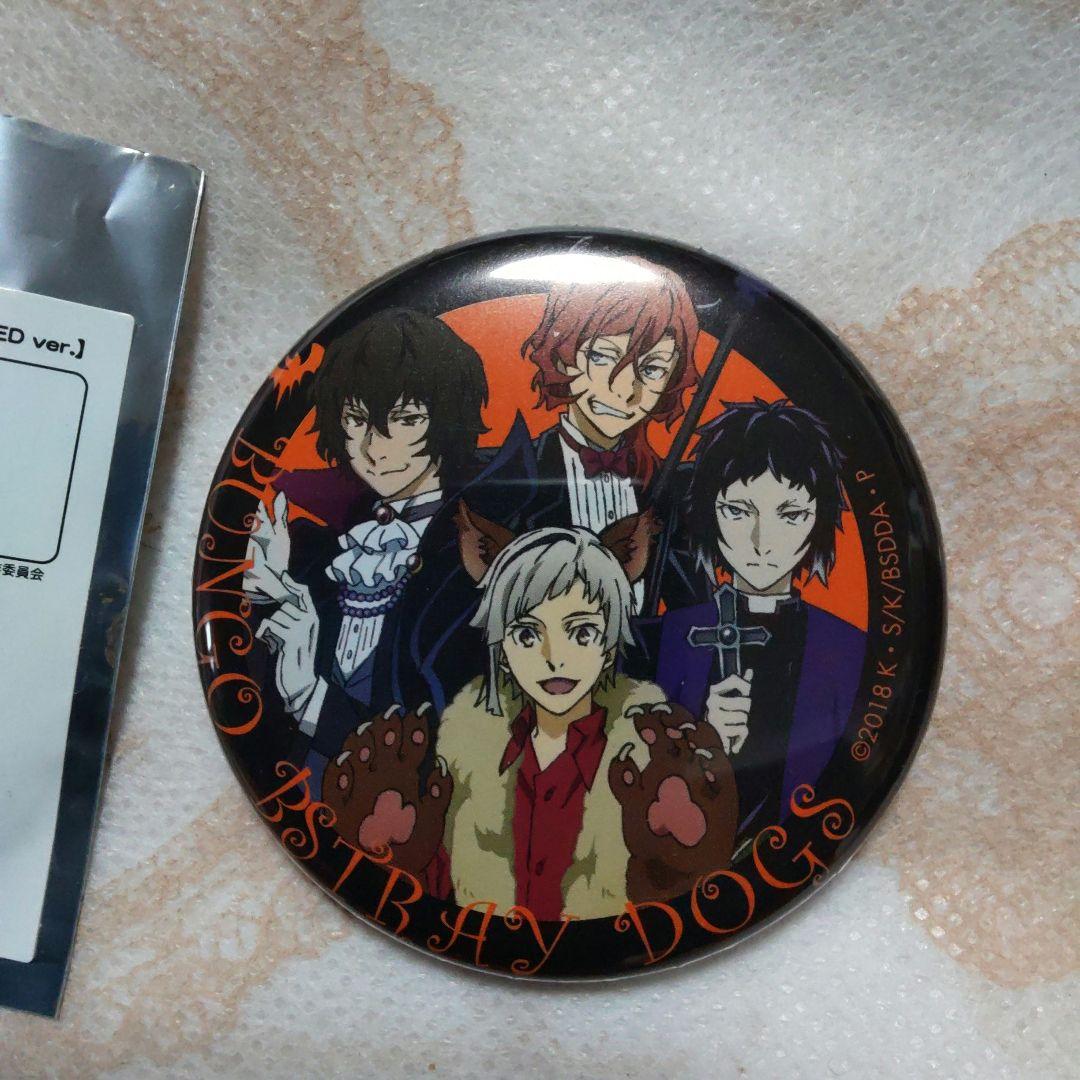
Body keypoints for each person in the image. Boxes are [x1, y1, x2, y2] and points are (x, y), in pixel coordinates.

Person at [322, 509, 739, 920]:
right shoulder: (463, 758)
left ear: (609, 643)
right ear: (502, 649)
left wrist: (672, 869)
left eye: (581, 632)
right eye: (526, 634)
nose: (554, 657)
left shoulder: (646, 763)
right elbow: (442, 897)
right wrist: (403, 860)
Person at [242, 308, 527, 792]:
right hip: (303, 791)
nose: (376, 448)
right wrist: (269, 600)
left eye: (406, 419)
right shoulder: (324, 553)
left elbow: (449, 742)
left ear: (448, 420)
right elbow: (250, 708)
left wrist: (310, 695)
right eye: (356, 419)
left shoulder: (481, 556)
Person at [649, 399, 866, 841]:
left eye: (790, 515)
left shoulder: (847, 648)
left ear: (819, 520)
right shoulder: (673, 636)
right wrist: (701, 740)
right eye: (738, 511)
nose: (762, 541)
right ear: (707, 512)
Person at [514, 254, 710, 609]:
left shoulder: (672, 491)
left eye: (652, 369)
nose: (624, 390)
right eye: (602, 357)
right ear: (562, 355)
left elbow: (694, 610)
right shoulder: (509, 479)